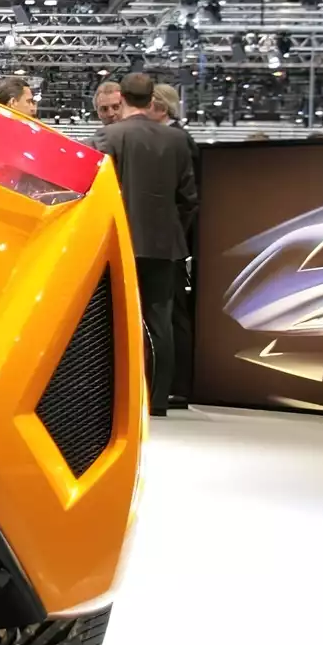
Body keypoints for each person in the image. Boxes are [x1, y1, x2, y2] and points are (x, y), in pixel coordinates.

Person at [96, 72, 197, 418]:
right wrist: (173, 233)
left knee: (114, 322)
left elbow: (97, 195)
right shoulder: (177, 140)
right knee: (160, 323)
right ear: (151, 99)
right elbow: (189, 199)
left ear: (122, 98)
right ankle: (157, 399)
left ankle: (117, 398)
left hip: (119, 245)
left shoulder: (108, 137)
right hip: (165, 246)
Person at [150, 82, 200, 410]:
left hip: (173, 244)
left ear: (161, 107)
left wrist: (177, 235)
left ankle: (178, 386)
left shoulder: (179, 141)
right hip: (172, 241)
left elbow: (188, 199)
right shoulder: (173, 139)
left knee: (173, 313)